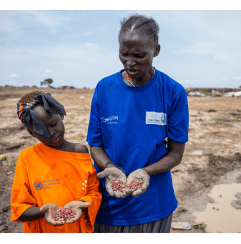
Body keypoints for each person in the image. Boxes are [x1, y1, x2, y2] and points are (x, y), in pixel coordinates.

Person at [87, 14, 189, 233]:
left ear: (156, 50)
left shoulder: (172, 91)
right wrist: (110, 168)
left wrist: (145, 172)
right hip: (109, 203)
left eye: (139, 55)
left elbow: (176, 153)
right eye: (124, 54)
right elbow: (95, 144)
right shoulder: (104, 88)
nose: (130, 62)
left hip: (153, 205)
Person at [10, 91, 102, 233]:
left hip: (76, 229)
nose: (51, 133)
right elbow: (19, 207)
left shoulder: (79, 151)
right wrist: (44, 210)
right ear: (31, 132)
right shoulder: (27, 157)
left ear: (61, 114)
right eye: (41, 131)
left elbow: (92, 191)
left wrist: (81, 204)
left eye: (53, 124)